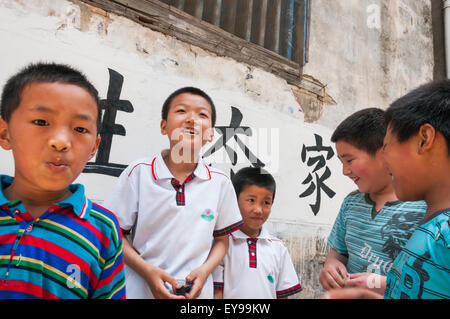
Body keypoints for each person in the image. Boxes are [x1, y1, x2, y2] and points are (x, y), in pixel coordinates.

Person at [103, 87, 243, 299]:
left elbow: (222, 240)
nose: (191, 119)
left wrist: (205, 272)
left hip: (196, 294)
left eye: (202, 115)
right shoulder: (139, 172)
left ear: (210, 134)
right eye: (181, 111)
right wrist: (147, 271)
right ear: (163, 126)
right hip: (141, 290)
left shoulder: (220, 182)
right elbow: (114, 234)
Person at [0, 62, 126, 298]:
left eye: (79, 129)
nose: (61, 142)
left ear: (93, 149)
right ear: (5, 134)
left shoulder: (103, 229)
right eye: (41, 122)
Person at [323, 80, 450, 299]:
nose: (387, 159)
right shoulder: (429, 227)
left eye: (389, 146)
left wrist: (375, 283)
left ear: (424, 140)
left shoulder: (440, 230)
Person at [319, 108, 427, 293]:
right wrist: (331, 265)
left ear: (384, 153)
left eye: (350, 160)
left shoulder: (424, 208)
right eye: (341, 162)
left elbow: (430, 281)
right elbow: (338, 253)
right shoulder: (350, 203)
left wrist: (379, 285)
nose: (345, 171)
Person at [213, 167, 302, 299]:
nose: (258, 210)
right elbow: (216, 293)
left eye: (266, 202)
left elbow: (282, 295)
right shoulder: (222, 244)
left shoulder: (278, 248)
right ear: (234, 199)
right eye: (251, 200)